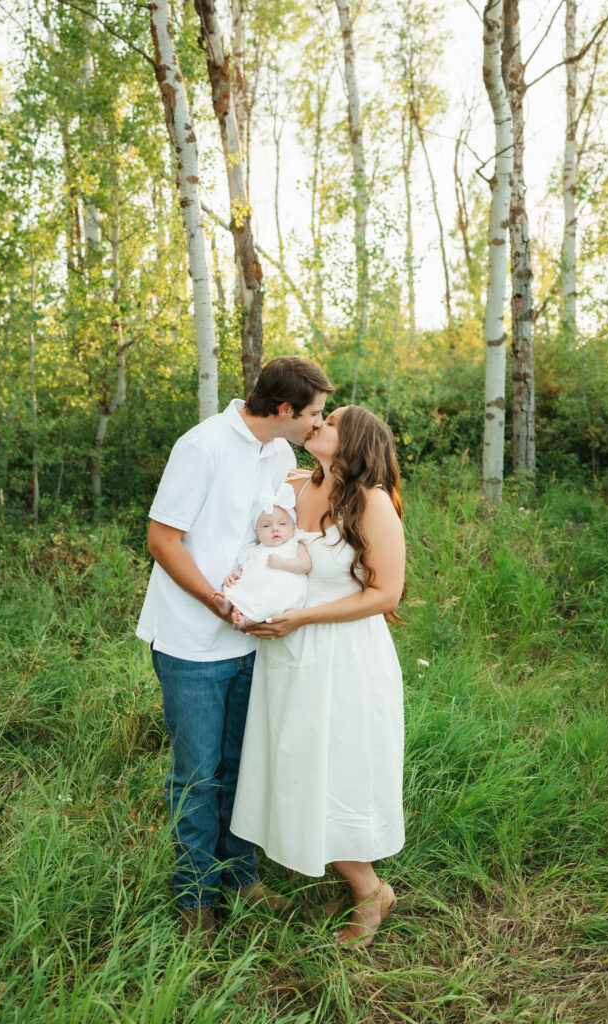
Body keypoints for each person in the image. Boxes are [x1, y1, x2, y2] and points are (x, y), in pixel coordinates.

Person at [136, 357, 334, 945]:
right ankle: (194, 895)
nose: (317, 424)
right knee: (197, 775)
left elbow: (277, 527)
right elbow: (161, 539)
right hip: (193, 640)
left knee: (243, 765)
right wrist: (214, 603)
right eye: (314, 414)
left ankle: (240, 875)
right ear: (283, 410)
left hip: (252, 637)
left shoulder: (277, 454)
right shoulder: (202, 447)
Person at [231, 405, 406, 947]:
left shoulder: (373, 502)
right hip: (288, 655)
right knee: (297, 766)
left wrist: (302, 616)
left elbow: (385, 595)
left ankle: (369, 890)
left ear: (351, 441)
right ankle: (345, 875)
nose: (318, 424)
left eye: (329, 421)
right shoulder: (293, 487)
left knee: (337, 769)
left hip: (344, 654)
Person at [212, 482, 312, 631]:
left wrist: (283, 563)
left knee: (267, 604)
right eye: (266, 526)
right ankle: (228, 602)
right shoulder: (254, 550)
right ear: (257, 533)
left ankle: (244, 621)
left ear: (293, 527)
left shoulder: (295, 546)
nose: (275, 529)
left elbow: (306, 565)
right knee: (237, 589)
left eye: (283, 523)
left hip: (281, 592)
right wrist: (237, 573)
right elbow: (246, 568)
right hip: (256, 587)